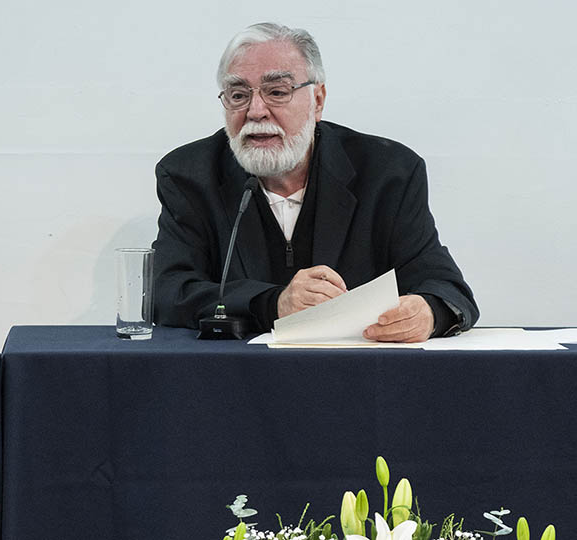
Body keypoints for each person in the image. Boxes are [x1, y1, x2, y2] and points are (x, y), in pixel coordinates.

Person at [151, 22, 478, 342]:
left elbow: (446, 288)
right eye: (238, 95)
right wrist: (273, 304)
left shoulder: (389, 174)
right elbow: (167, 293)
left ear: (317, 100)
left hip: (360, 369)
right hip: (235, 371)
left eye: (277, 92)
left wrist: (428, 312)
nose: (255, 111)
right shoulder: (189, 176)